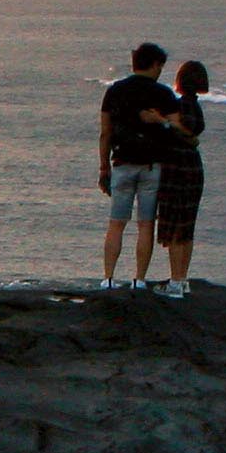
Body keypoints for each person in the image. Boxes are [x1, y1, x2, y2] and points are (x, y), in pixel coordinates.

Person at [96, 41, 176, 284]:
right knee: (145, 225)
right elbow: (175, 128)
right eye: (160, 65)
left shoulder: (115, 91)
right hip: (152, 165)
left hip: (121, 161)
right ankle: (139, 279)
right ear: (154, 64)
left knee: (116, 224)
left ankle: (108, 278)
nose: (161, 70)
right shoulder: (163, 93)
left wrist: (103, 167)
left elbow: (105, 132)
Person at [152, 61, 211, 294]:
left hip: (176, 168)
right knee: (187, 226)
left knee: (175, 224)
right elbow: (192, 135)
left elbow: (174, 130)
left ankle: (176, 281)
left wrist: (160, 120)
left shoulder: (177, 108)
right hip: (193, 167)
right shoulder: (196, 107)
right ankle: (182, 278)